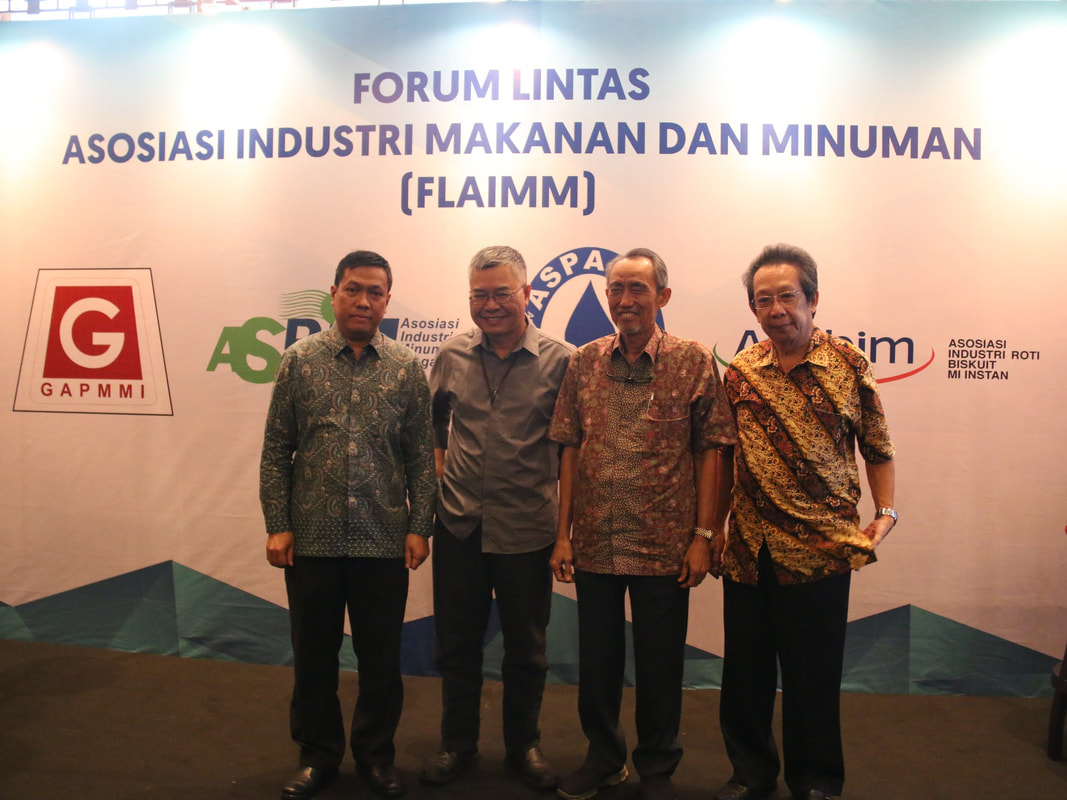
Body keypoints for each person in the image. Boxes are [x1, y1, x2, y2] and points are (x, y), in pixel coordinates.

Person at [548, 248, 737, 800]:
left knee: (659, 664)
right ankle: (604, 758)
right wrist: (563, 535)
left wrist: (704, 536)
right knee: (597, 663)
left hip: (665, 544)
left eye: (638, 288)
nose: (625, 300)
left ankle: (657, 767)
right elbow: (569, 448)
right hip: (596, 542)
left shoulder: (692, 360)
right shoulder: (584, 361)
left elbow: (712, 451)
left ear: (663, 296)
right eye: (616, 289)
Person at [710, 244, 897, 800]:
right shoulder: (742, 371)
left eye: (787, 297)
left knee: (812, 674)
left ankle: (815, 780)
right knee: (745, 674)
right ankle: (750, 774)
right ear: (753, 309)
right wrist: (712, 530)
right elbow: (725, 458)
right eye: (763, 300)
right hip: (750, 548)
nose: (776, 310)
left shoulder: (848, 364)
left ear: (812, 299)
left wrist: (886, 513)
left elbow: (878, 450)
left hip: (820, 550)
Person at [260, 250, 436, 800]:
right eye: (354, 289)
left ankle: (376, 757)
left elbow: (421, 457)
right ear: (333, 293)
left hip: (383, 539)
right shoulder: (299, 362)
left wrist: (420, 525)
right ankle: (318, 757)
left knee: (381, 660)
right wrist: (278, 522)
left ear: (388, 299)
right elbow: (276, 450)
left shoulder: (406, 367)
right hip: (311, 538)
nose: (364, 301)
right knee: (313, 657)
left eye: (375, 292)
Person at [420, 245, 573, 790]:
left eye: (502, 293)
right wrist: (441, 475)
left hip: (527, 528)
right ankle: (456, 745)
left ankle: (523, 747)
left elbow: (573, 449)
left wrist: (565, 531)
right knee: (455, 645)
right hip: (459, 524)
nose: (490, 305)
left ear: (526, 293)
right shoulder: (451, 354)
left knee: (527, 651)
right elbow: (432, 424)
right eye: (479, 295)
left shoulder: (562, 361)